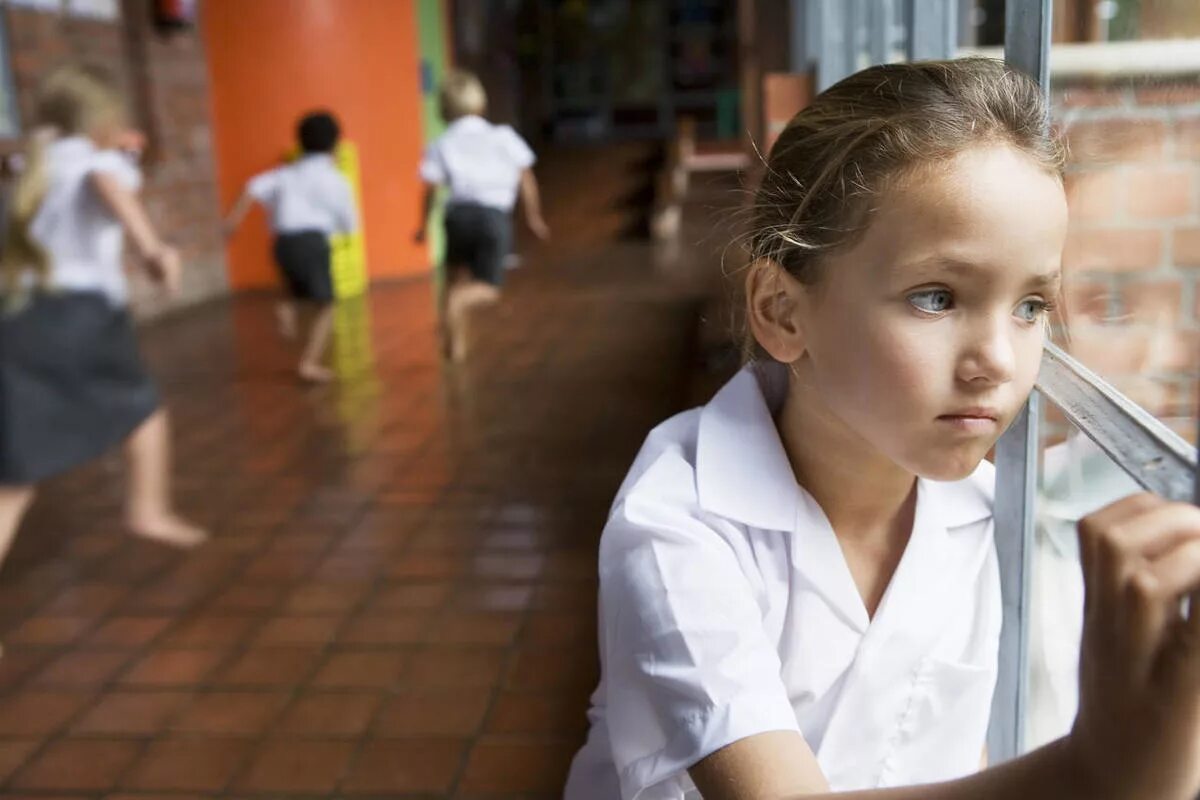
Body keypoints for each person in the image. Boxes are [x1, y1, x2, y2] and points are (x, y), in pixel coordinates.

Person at [564, 57, 1200, 800]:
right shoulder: (678, 523)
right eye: (936, 297)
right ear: (781, 311)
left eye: (1031, 307)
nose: (998, 360)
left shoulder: (1001, 511)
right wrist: (1096, 768)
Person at [0, 64, 206, 605]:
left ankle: (148, 510)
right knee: (144, 409)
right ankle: (148, 510)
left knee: (16, 477)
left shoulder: (30, 166)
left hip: (18, 318)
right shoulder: (99, 162)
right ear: (103, 119)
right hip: (80, 316)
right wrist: (153, 249)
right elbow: (106, 185)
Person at [414, 69, 549, 361]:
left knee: (453, 278)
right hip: (492, 217)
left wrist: (423, 226)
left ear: (445, 109)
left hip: (457, 216)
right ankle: (457, 306)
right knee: (488, 287)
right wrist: (533, 216)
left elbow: (431, 190)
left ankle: (455, 345)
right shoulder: (502, 136)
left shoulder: (441, 142)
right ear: (480, 103)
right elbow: (526, 176)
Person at [224, 110, 357, 383]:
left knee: (295, 286)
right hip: (312, 242)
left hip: (283, 243)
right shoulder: (335, 179)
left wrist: (232, 221)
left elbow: (251, 188)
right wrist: (346, 231)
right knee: (326, 304)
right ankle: (308, 363)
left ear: (300, 142)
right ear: (335, 144)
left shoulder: (284, 173)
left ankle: (286, 307)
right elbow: (347, 219)